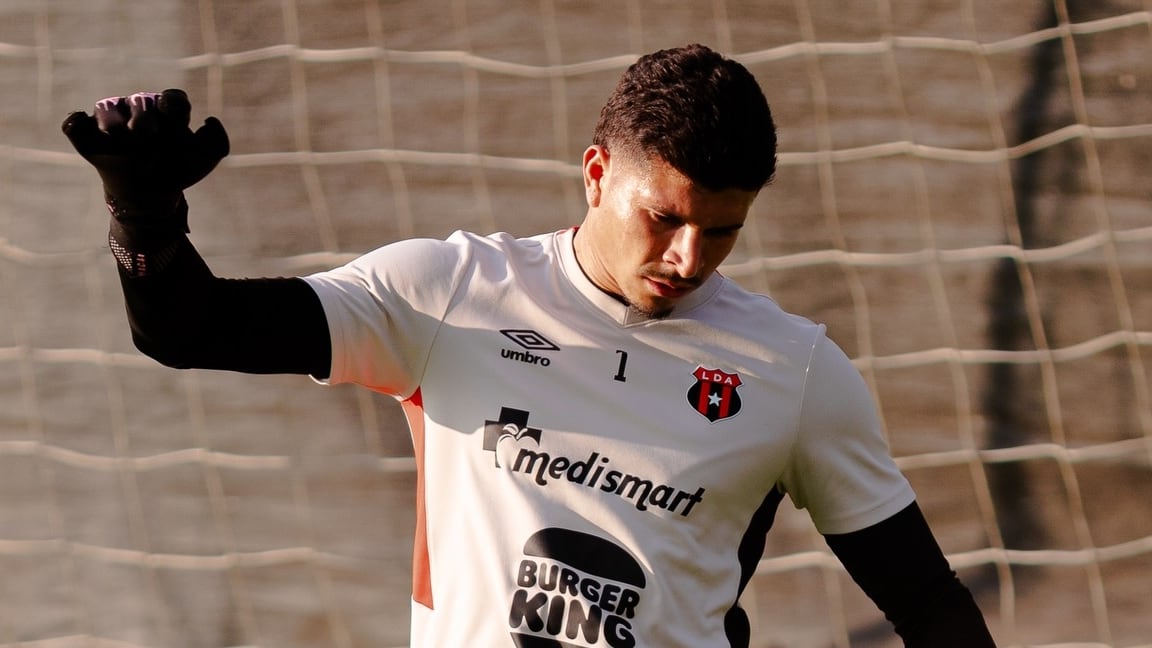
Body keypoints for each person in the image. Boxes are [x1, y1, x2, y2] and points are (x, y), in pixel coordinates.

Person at [63, 44, 995, 647]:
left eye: (721, 231)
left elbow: (930, 606)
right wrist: (143, 214)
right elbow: (188, 331)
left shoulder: (793, 372)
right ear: (596, 175)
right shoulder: (448, 294)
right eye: (664, 218)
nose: (686, 257)